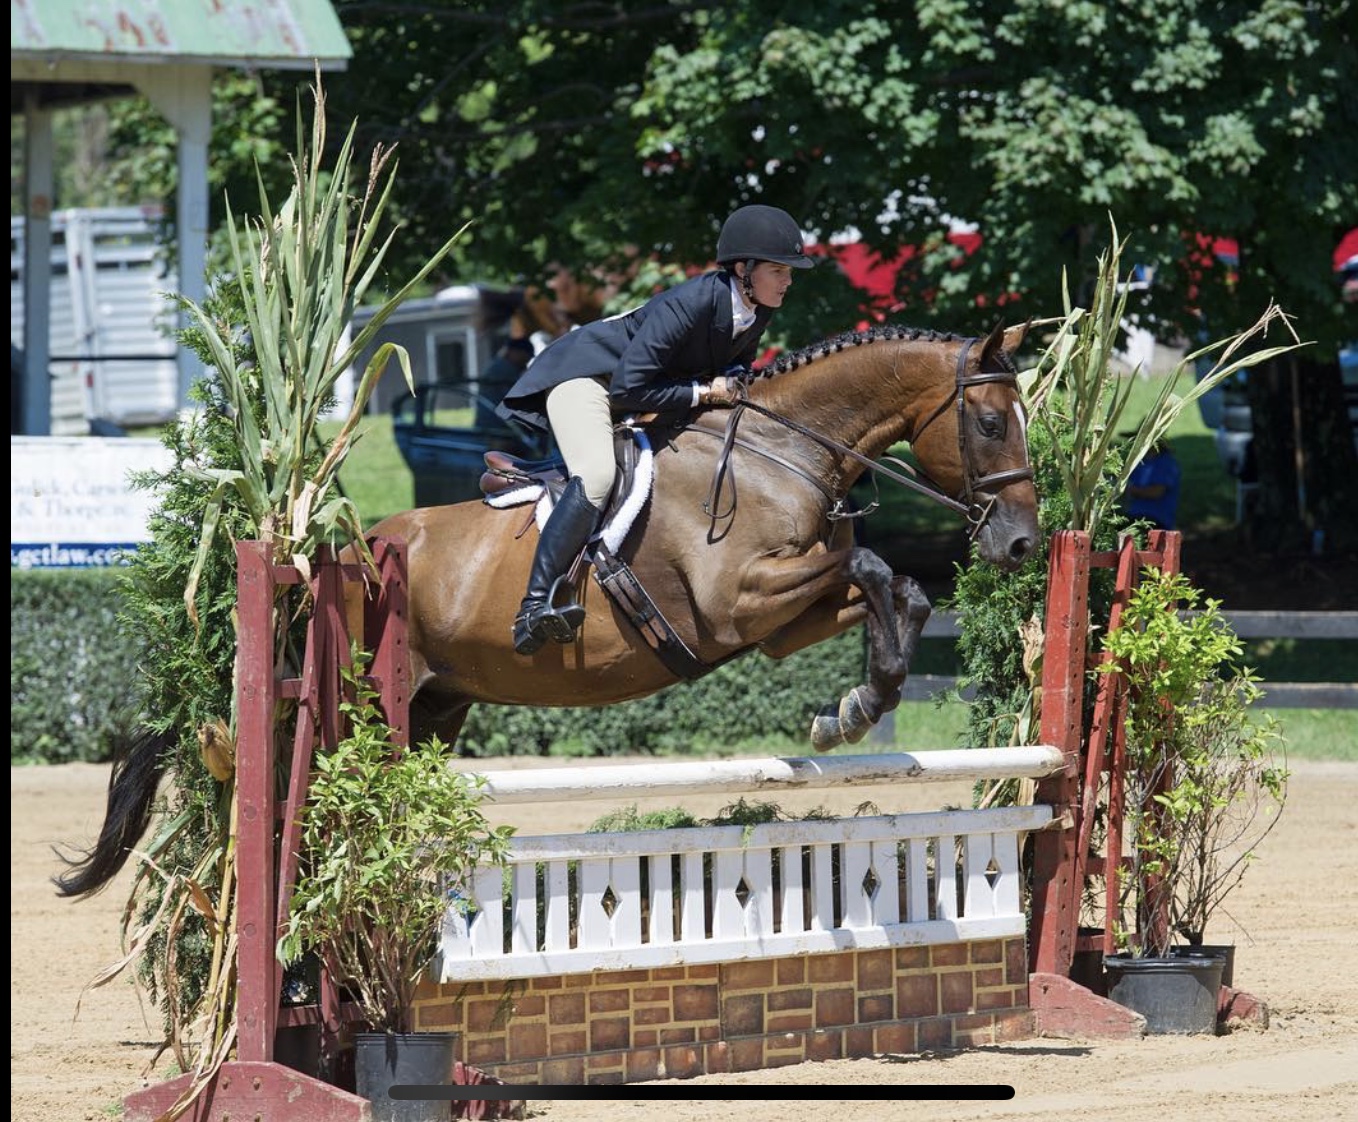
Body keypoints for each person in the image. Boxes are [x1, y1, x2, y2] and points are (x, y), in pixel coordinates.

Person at [496, 204, 816, 655]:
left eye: (789, 271)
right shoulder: (691, 303)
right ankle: (532, 607)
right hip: (589, 379)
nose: (788, 280)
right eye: (779, 270)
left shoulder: (755, 308)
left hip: (642, 388)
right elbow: (630, 389)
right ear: (744, 270)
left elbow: (732, 371)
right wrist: (704, 394)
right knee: (598, 475)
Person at [1125, 438, 1182, 531]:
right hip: (1135, 516)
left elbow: (1156, 492)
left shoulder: (1166, 463)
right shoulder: (1140, 462)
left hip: (1156, 519)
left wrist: (1128, 489)